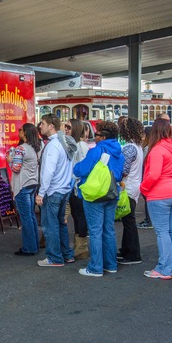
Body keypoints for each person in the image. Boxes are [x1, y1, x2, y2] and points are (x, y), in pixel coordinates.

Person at [74, 121, 125, 277]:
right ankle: (111, 264)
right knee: (108, 230)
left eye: (95, 134)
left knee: (95, 231)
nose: (93, 137)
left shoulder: (97, 150)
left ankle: (95, 267)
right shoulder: (119, 151)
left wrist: (76, 167)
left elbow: (80, 169)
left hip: (95, 195)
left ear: (102, 136)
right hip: (112, 193)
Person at [140, 118, 172, 279]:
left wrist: (143, 188)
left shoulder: (157, 150)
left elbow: (154, 174)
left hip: (159, 194)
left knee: (162, 232)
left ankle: (164, 268)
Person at [35, 114, 75, 267]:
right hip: (64, 189)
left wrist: (41, 193)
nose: (40, 126)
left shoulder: (52, 146)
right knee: (61, 224)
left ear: (51, 126)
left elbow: (48, 172)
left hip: (53, 191)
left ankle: (54, 258)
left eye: (43, 123)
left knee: (50, 226)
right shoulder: (64, 143)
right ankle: (66, 255)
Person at [7, 123, 42, 256]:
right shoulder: (36, 148)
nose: (18, 131)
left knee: (26, 217)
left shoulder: (21, 148)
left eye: (20, 130)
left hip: (22, 185)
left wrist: (10, 160)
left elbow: (16, 168)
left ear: (25, 133)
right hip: (32, 184)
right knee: (31, 216)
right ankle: (34, 245)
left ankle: (29, 248)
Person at [117, 117, 144, 265]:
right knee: (128, 220)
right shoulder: (137, 146)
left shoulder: (128, 148)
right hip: (134, 186)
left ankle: (133, 253)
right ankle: (126, 249)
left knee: (129, 221)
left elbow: (124, 170)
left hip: (127, 187)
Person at [66, 119, 90, 259]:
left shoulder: (81, 146)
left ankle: (82, 247)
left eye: (69, 127)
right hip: (73, 186)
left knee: (80, 216)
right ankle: (78, 245)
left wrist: (74, 179)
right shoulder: (73, 144)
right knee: (75, 216)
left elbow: (82, 167)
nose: (66, 129)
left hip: (78, 187)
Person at [137, 126, 153, 229]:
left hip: (146, 175)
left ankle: (149, 220)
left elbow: (143, 162)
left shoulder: (147, 148)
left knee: (147, 198)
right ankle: (149, 219)